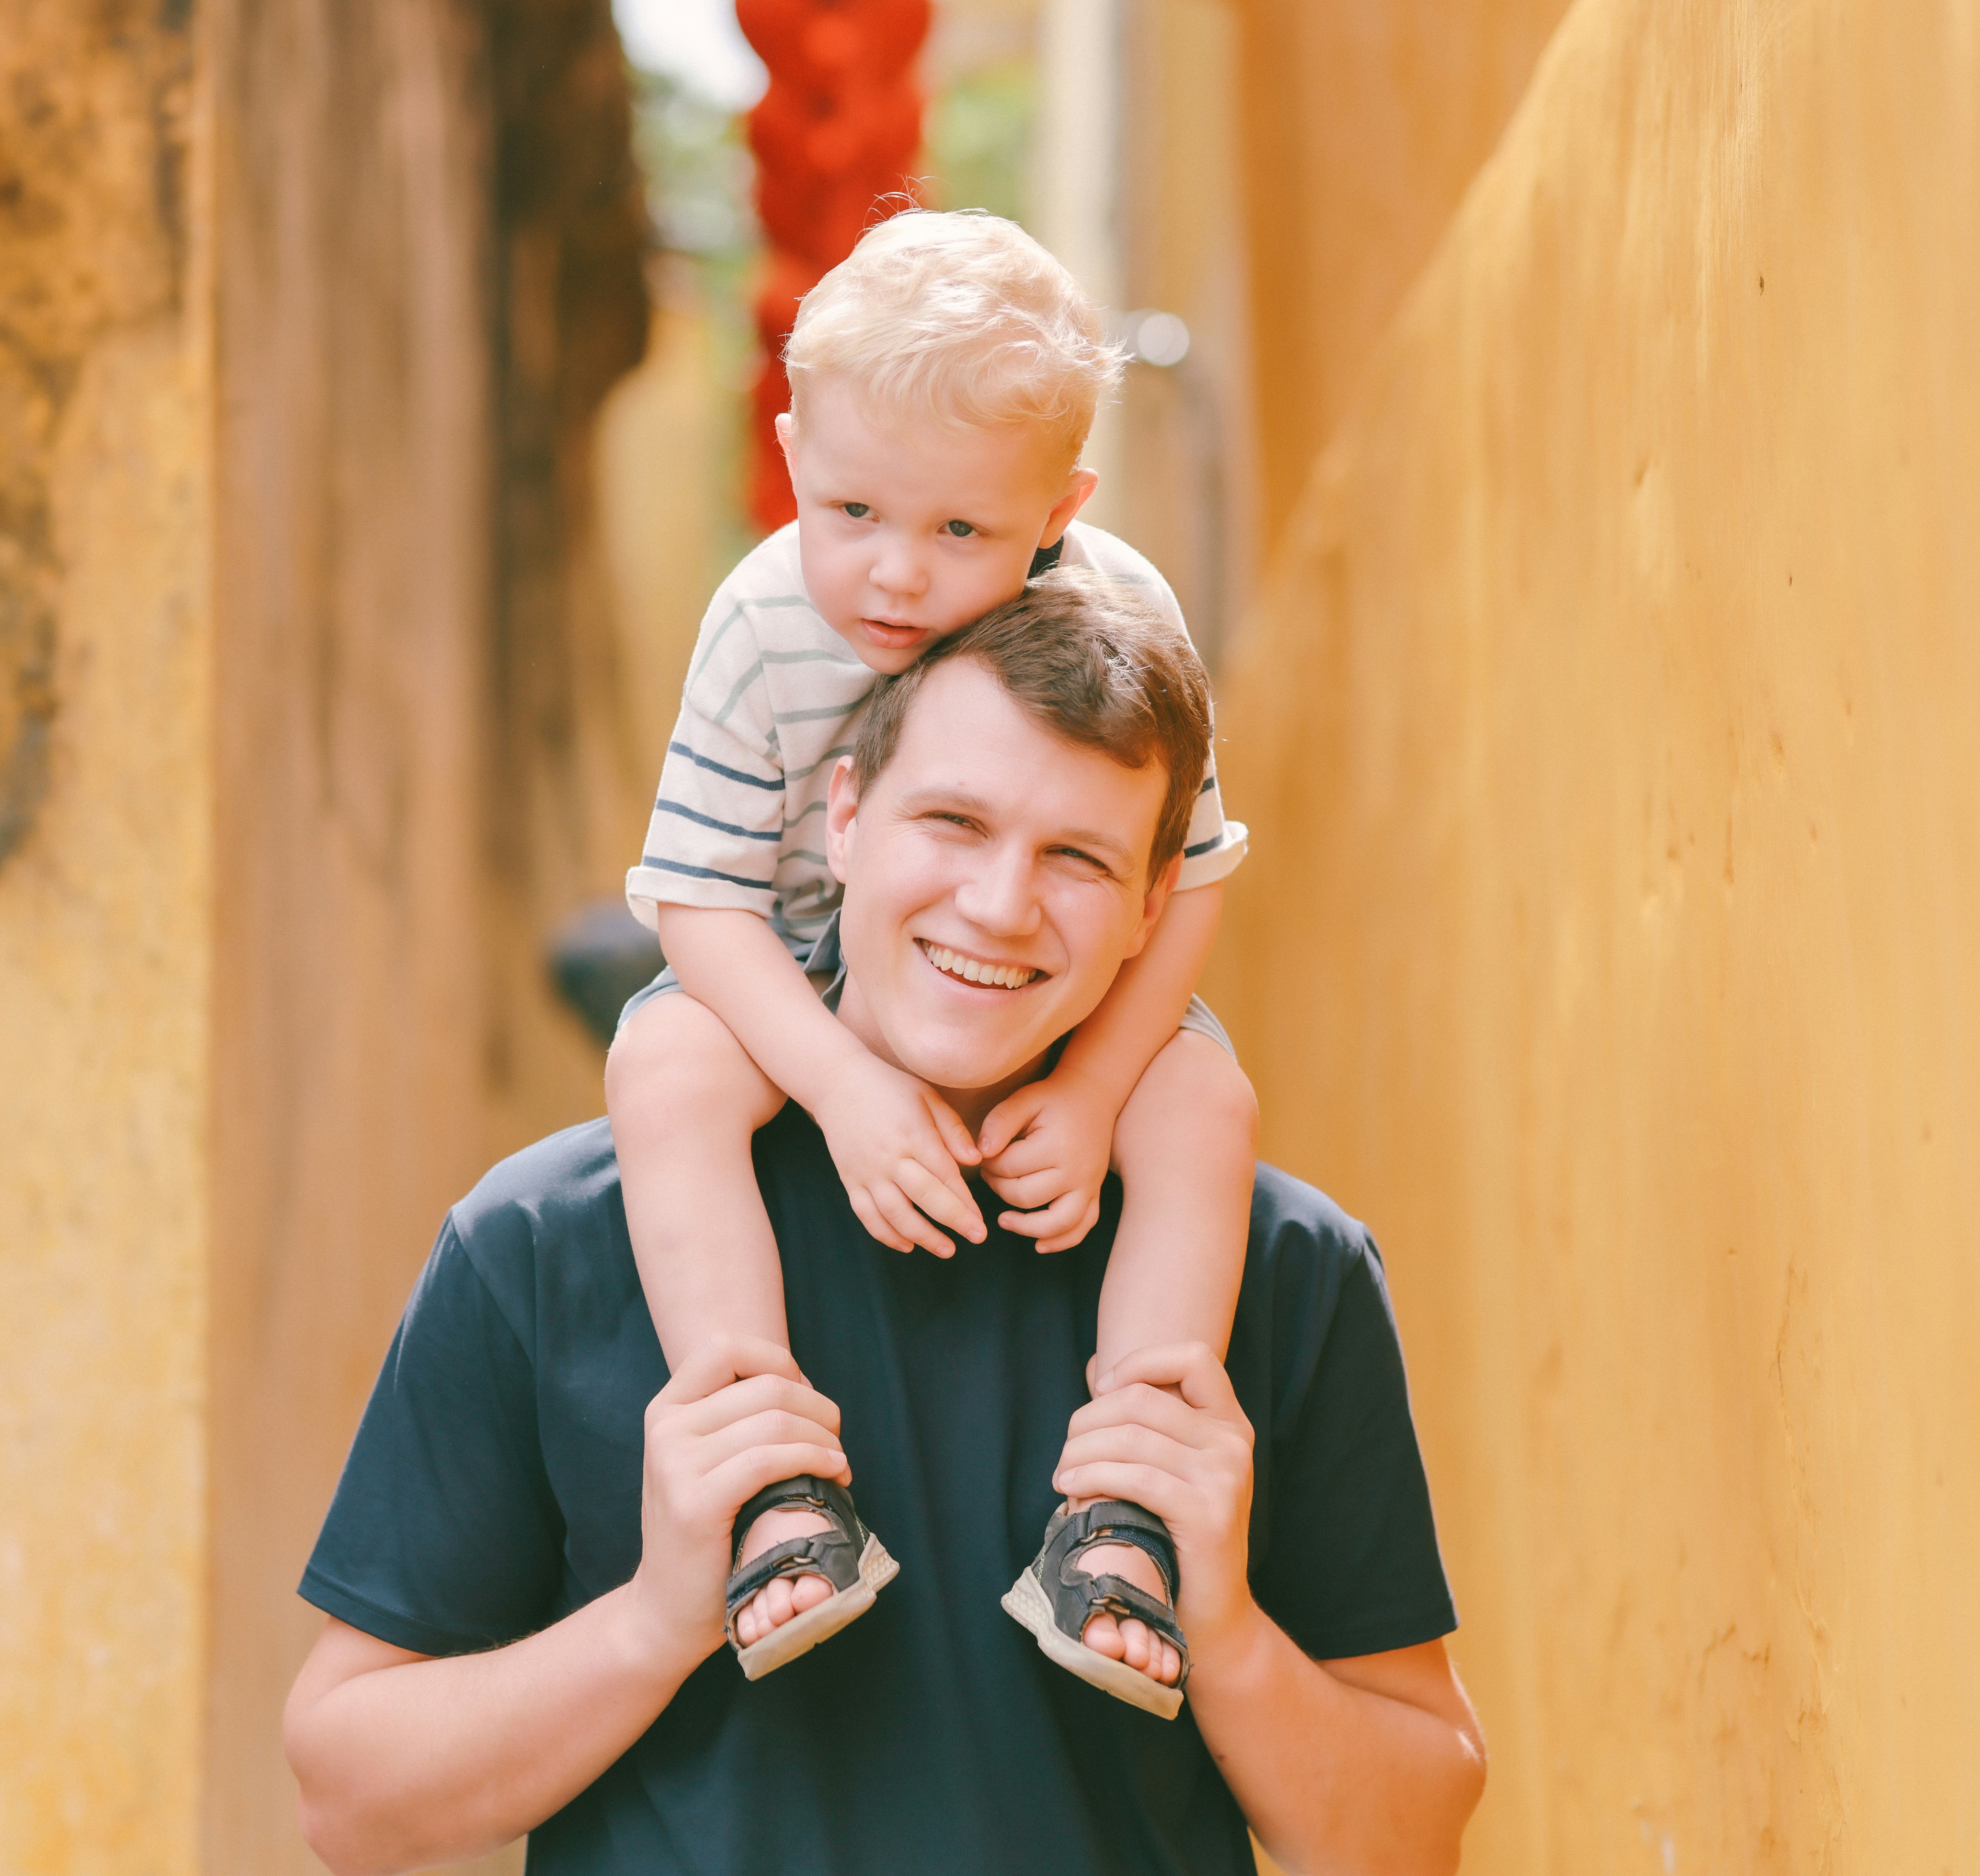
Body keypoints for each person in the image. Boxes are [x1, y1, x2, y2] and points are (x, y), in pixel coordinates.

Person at [284, 585, 1484, 1873]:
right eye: (953, 823)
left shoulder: (1283, 1265)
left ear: (1153, 905)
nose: (1002, 905)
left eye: (1079, 859)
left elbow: (1414, 1836)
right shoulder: (544, 1242)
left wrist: (1229, 1632)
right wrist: (652, 1623)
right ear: (845, 817)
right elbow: (350, 1800)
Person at [605, 209, 1259, 1696]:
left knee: (1204, 1104)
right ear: (791, 452)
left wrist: (1093, 1091)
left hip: (1046, 995)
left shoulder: (1119, 615)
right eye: (851, 510)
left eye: (960, 531)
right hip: (793, 978)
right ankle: (769, 1474)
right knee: (663, 1066)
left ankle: (1124, 1510)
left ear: (1058, 506)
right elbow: (698, 899)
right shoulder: (762, 622)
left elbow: (1189, 882)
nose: (894, 575)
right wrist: (839, 1086)